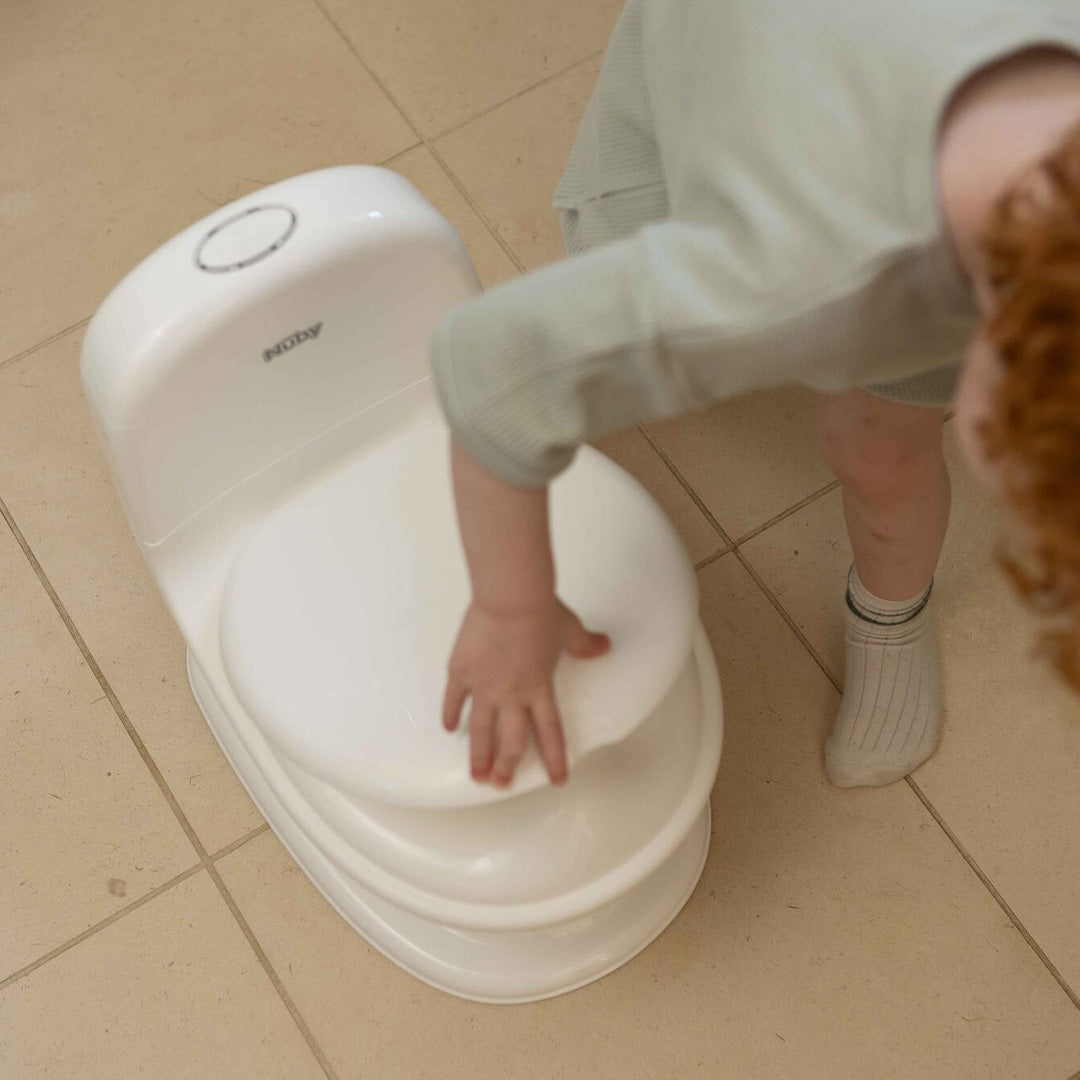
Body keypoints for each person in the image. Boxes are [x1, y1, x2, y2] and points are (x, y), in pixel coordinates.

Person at [431, 0, 1080, 791]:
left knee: (881, 448)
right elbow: (495, 368)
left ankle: (889, 614)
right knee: (849, 412)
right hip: (724, 64)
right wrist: (511, 612)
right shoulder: (794, 273)